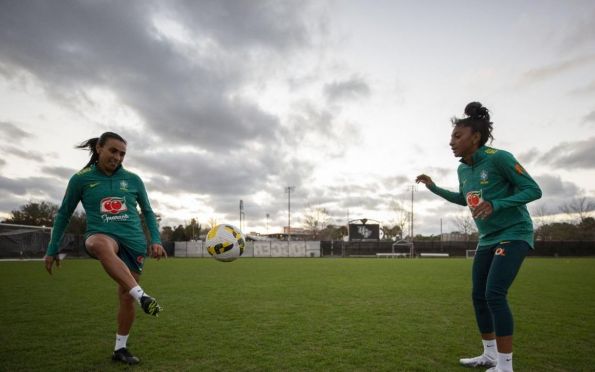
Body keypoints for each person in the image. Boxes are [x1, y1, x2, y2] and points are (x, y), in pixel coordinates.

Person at [416, 102, 541, 372]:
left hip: (514, 232)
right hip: (487, 238)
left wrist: (498, 204)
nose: (451, 142)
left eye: (457, 136)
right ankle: (489, 355)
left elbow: (533, 189)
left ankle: (505, 367)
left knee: (495, 294)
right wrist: (434, 187)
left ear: (475, 137)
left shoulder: (499, 158)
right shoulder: (463, 169)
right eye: (451, 137)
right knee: (478, 296)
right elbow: (465, 199)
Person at [44, 131, 167, 365]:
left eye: (122, 153)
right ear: (99, 148)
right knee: (99, 244)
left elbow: (148, 212)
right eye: (113, 151)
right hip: (101, 235)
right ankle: (143, 296)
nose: (118, 157)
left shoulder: (133, 180)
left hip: (134, 242)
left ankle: (120, 349)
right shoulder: (80, 179)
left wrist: (156, 240)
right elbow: (63, 214)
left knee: (125, 296)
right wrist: (52, 249)